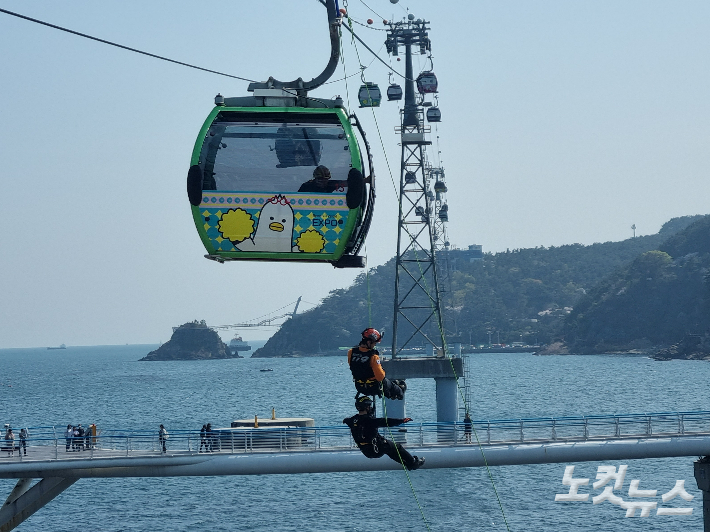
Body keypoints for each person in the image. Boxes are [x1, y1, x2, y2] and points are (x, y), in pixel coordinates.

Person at [343, 396, 425, 471]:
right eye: (369, 406)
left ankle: (408, 464)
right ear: (366, 407)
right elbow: (387, 422)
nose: (371, 408)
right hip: (376, 449)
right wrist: (402, 420)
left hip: (366, 451)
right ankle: (413, 462)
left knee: (390, 451)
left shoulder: (352, 420)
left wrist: (346, 420)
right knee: (397, 447)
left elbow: (347, 420)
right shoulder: (370, 420)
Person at [348, 328, 406, 400]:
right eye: (374, 343)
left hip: (359, 387)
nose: (374, 345)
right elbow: (380, 377)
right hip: (374, 387)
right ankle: (397, 393)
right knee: (399, 390)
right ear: (369, 342)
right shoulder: (373, 356)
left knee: (390, 384)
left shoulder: (351, 352)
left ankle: (392, 389)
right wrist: (381, 370)